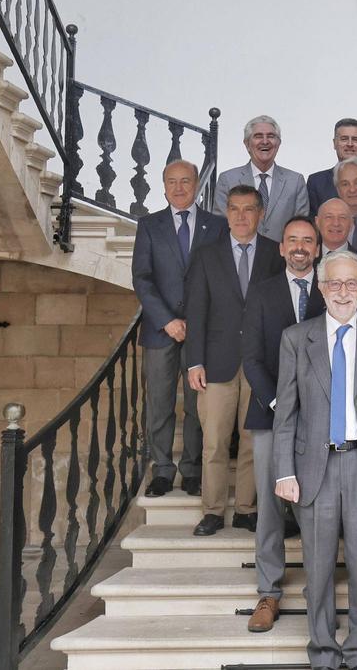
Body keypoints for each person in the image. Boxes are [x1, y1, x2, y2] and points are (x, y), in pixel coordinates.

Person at [273, 251, 357, 670]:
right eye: (334, 284)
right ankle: (324, 653)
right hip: (315, 469)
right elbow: (286, 413)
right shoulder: (297, 338)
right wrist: (284, 471)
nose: (342, 292)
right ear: (322, 289)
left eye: (351, 284)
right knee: (319, 568)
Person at [240, 216, 326, 633]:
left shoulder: (333, 290)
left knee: (312, 506)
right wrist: (280, 403)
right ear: (281, 247)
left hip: (322, 420)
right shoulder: (261, 292)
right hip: (270, 416)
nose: (299, 247)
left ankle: (318, 591)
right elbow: (251, 358)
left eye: (307, 241)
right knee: (271, 509)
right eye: (292, 239)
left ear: (318, 247)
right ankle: (268, 591)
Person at [185, 185, 283, 537]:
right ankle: (212, 511)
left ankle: (245, 509)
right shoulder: (206, 255)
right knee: (213, 440)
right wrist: (194, 360)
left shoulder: (275, 253)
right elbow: (195, 310)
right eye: (235, 209)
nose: (242, 216)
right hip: (216, 362)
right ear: (227, 213)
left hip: (260, 363)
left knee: (252, 440)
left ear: (261, 213)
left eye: (249, 209)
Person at [132, 159, 222, 499]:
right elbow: (142, 277)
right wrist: (167, 320)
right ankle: (162, 470)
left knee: (198, 405)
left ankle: (192, 469)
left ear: (197, 183)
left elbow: (220, 276)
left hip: (204, 331)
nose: (179, 187)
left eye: (186, 180)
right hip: (160, 330)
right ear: (164, 185)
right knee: (159, 402)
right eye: (172, 181)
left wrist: (198, 323)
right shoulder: (149, 226)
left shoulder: (216, 226)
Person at [214, 115, 310, 241]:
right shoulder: (227, 180)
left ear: (279, 143)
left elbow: (301, 227)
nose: (265, 141)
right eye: (258, 136)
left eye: (271, 136)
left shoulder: (295, 181)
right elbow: (220, 226)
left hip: (281, 258)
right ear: (247, 144)